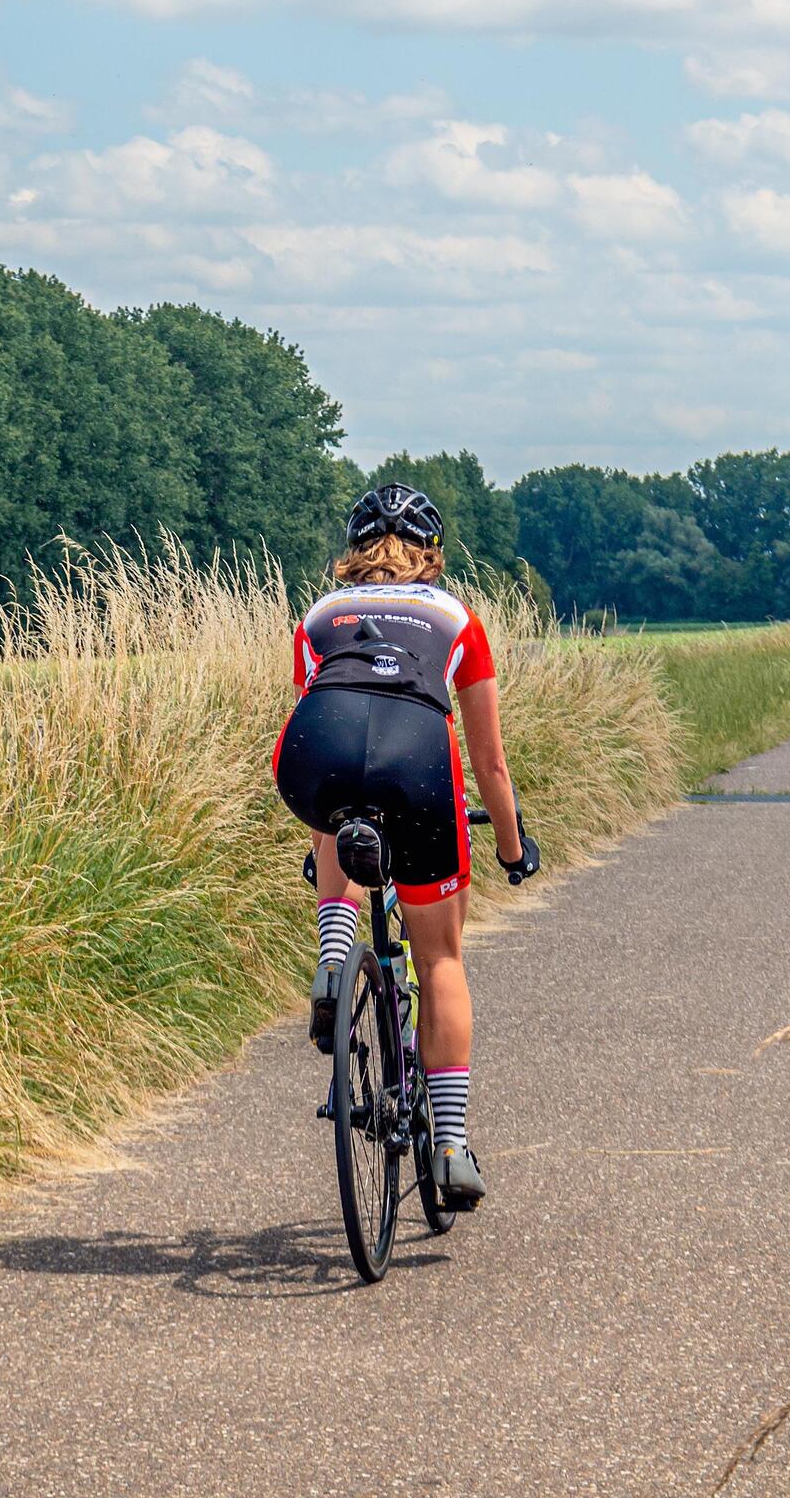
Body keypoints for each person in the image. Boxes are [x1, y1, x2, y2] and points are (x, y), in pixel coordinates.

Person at [277, 481, 536, 1210]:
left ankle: (334, 953)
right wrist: (512, 851)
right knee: (441, 958)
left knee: (336, 800)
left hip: (315, 756)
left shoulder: (321, 615)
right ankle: (450, 1146)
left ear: (354, 552)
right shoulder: (457, 617)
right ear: (432, 557)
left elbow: (326, 717)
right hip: (417, 761)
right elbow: (490, 765)